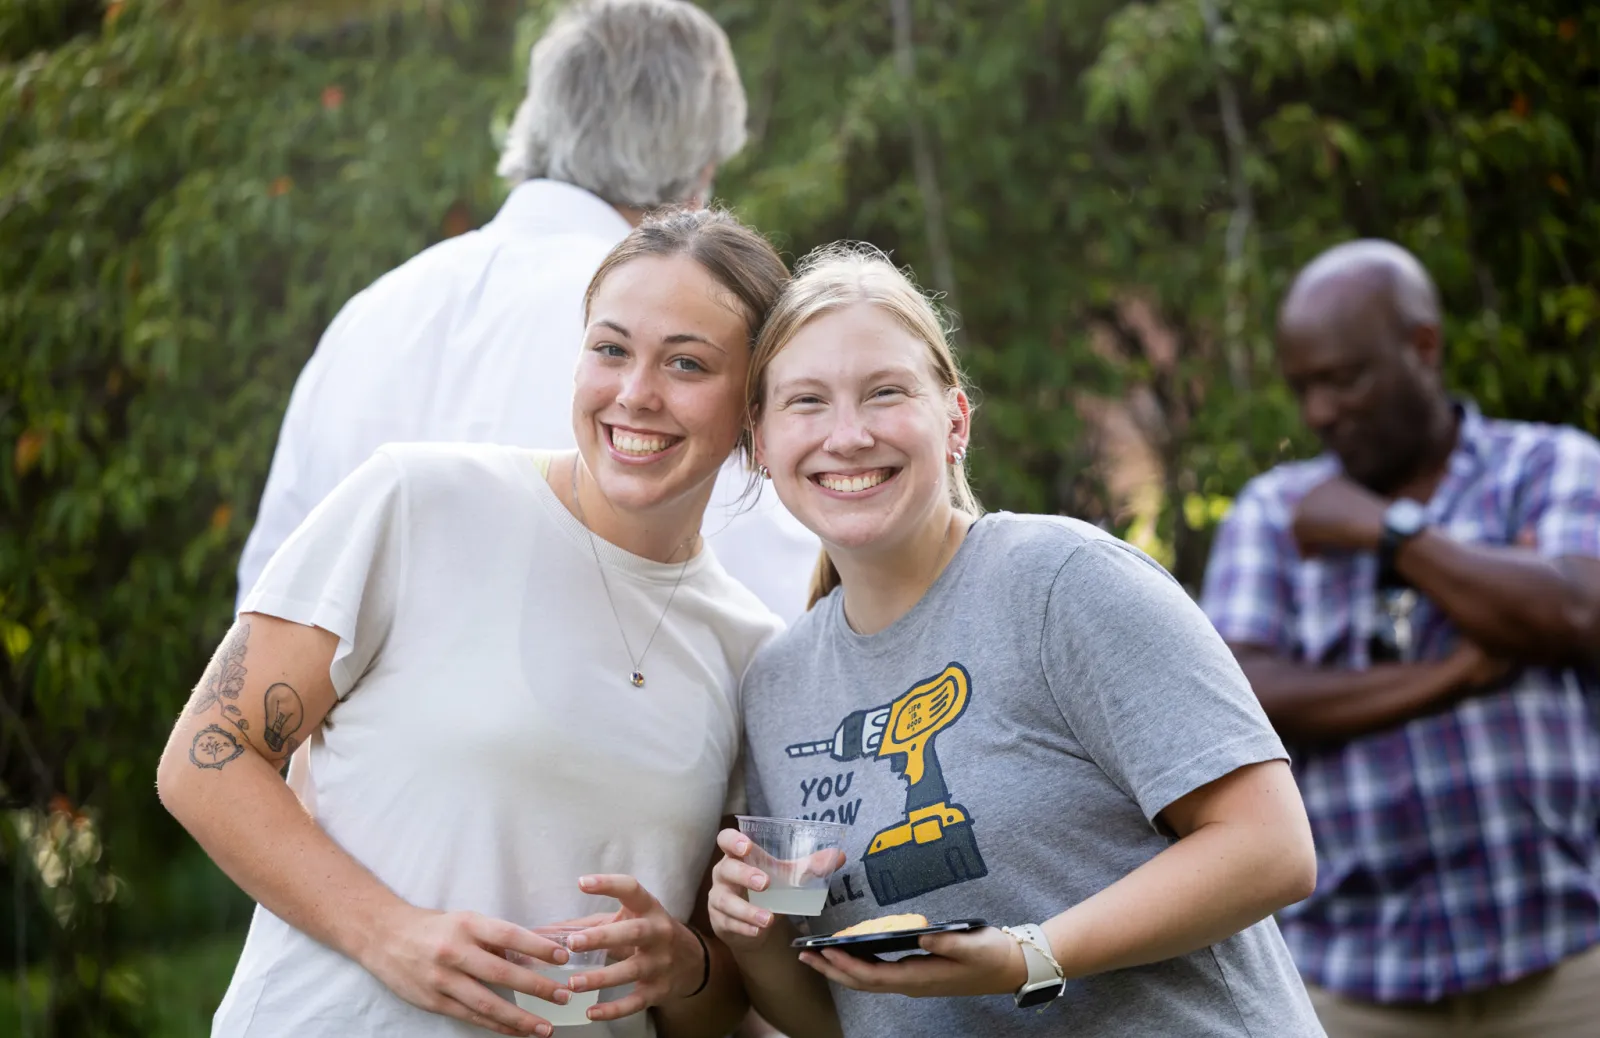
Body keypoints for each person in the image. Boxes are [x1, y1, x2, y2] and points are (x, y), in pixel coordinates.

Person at [157, 208, 790, 1038]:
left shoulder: (754, 654)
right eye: (611, 349)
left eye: (687, 363)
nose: (636, 392)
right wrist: (391, 934)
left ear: (757, 404)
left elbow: (723, 1004)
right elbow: (205, 760)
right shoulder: (417, 502)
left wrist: (689, 966)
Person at [704, 244, 1326, 1037]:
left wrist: (1032, 954)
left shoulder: (1063, 583)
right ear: (759, 441)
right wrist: (753, 937)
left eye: (884, 392)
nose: (849, 435)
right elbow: (845, 1023)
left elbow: (1270, 848)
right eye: (807, 403)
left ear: (954, 419)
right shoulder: (779, 687)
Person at [234, 0, 818, 626]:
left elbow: (264, 603)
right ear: (699, 179)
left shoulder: (367, 318)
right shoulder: (696, 339)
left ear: (536, 122)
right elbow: (782, 606)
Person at [1199, 239, 1600, 1037]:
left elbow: (1576, 615)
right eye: (1304, 388)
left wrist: (1387, 533)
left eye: (1344, 379)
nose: (1318, 413)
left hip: (1568, 960)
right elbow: (1244, 703)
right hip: (1352, 980)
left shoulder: (1550, 465)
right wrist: (1457, 672)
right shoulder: (1275, 513)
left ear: (1424, 348)